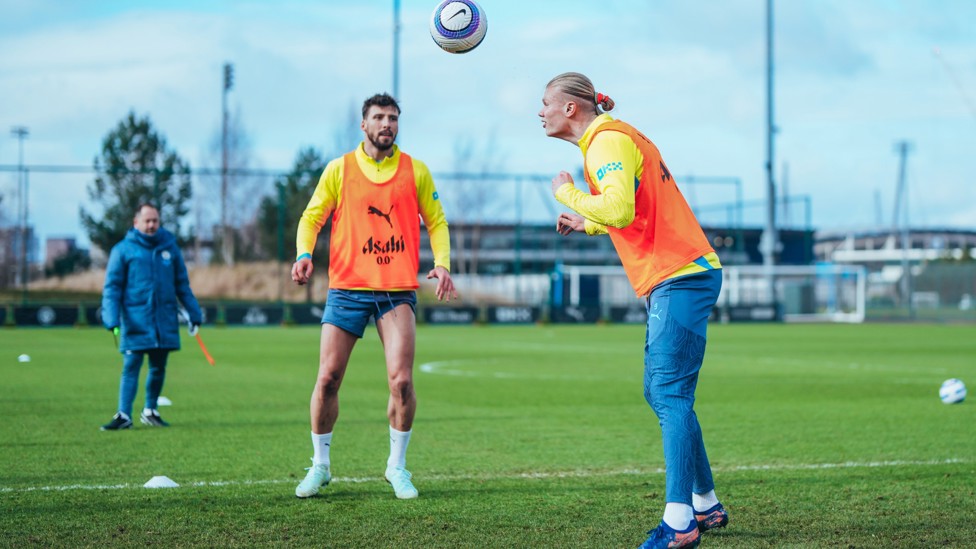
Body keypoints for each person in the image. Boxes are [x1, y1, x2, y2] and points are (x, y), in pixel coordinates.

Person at [539, 72, 728, 549]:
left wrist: (565, 192)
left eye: (545, 103)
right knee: (663, 391)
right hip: (678, 272)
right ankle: (705, 503)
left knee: (669, 393)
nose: (539, 112)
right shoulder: (612, 139)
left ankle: (680, 522)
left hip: (680, 273)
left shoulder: (604, 142)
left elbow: (619, 209)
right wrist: (586, 223)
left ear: (569, 109)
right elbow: (634, 213)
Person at [291, 92, 456, 500]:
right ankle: (320, 466)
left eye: (393, 118)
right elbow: (313, 216)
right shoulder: (339, 169)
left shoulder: (415, 171)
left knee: (401, 382)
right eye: (379, 117)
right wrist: (304, 254)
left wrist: (443, 263)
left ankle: (397, 467)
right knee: (328, 379)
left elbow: (436, 221)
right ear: (363, 125)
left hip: (396, 291)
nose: (387, 124)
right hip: (346, 289)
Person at [100, 203, 203, 431]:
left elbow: (182, 285)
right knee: (131, 365)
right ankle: (124, 415)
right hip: (135, 319)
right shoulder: (123, 250)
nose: (151, 225)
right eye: (147, 221)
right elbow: (112, 287)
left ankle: (150, 410)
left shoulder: (170, 248)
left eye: (155, 220)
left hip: (163, 319)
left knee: (158, 367)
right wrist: (111, 317)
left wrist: (194, 313)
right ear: (136, 222)